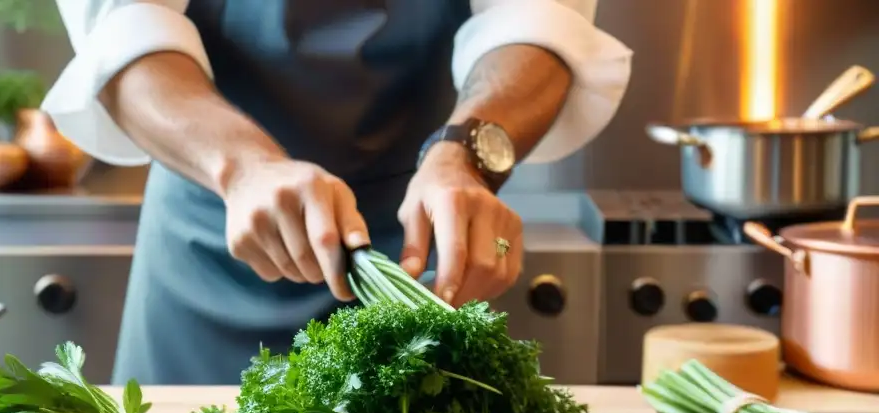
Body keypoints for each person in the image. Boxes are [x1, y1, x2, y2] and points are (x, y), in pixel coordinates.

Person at [44, 0, 632, 385]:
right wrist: (246, 169)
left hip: (423, 243)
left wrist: (465, 154)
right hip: (217, 231)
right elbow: (123, 30)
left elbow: (537, 18)